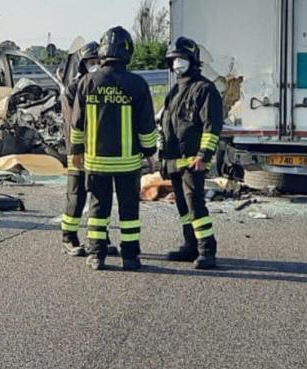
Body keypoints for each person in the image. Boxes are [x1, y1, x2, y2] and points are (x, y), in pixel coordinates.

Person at [68, 26, 158, 271]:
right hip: (128, 164)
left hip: (96, 162)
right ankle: (130, 257)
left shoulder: (87, 82)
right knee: (129, 211)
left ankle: (96, 256)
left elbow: (77, 124)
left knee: (98, 208)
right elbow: (147, 126)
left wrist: (75, 152)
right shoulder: (137, 84)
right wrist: (151, 155)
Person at [158, 37, 222, 270]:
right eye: (174, 59)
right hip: (174, 160)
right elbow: (166, 124)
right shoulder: (174, 90)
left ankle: (207, 250)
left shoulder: (205, 89)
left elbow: (211, 126)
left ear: (193, 60)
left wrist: (204, 155)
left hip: (193, 161)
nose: (178, 63)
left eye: (182, 58)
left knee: (195, 206)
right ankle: (190, 246)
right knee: (183, 207)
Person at [59, 41, 115, 257]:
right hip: (79, 151)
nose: (95, 65)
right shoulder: (73, 90)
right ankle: (69, 238)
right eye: (91, 62)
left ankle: (100, 238)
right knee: (76, 195)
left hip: (98, 153)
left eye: (98, 62)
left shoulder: (103, 86)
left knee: (100, 197)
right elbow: (70, 124)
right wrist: (75, 152)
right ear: (83, 65)